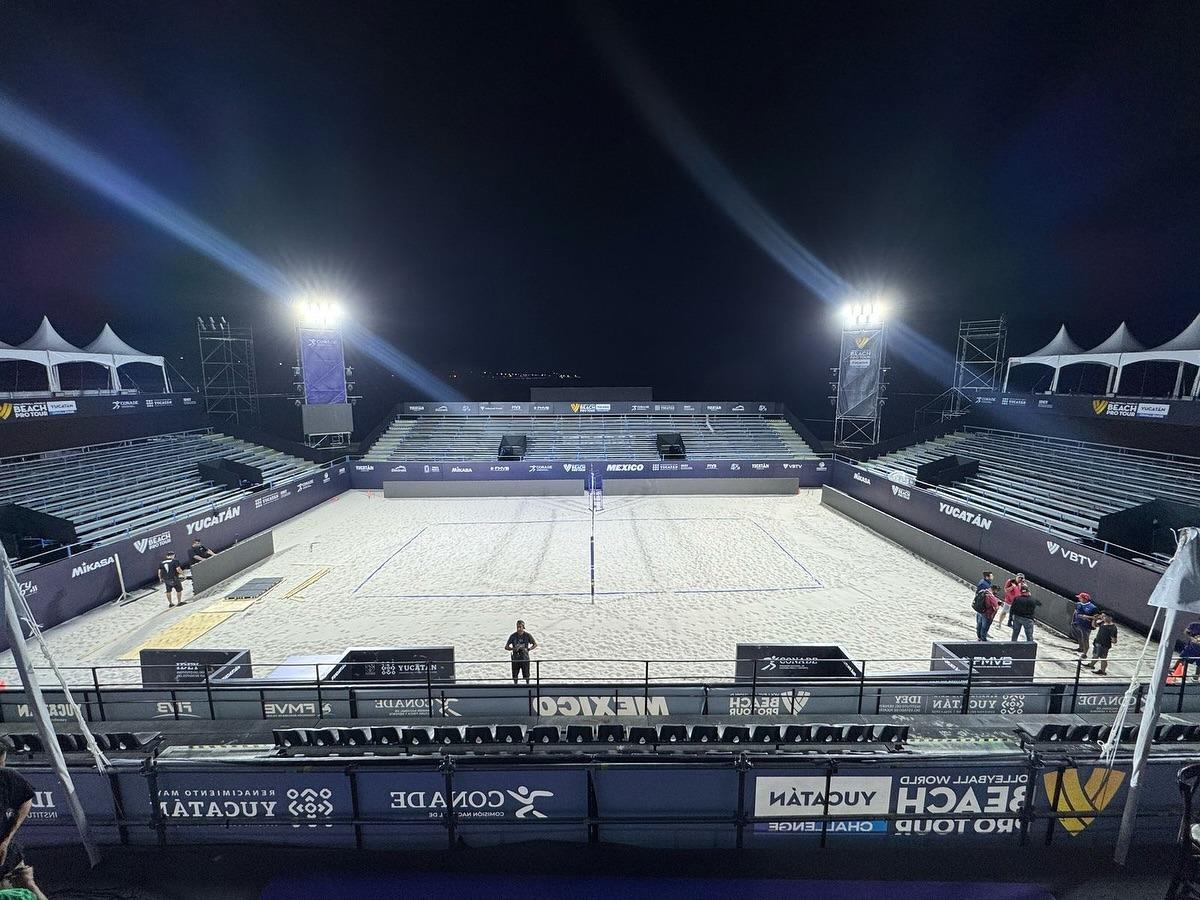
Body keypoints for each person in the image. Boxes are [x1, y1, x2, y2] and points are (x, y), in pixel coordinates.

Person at [0, 737, 48, 900]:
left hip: (7, 854)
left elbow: (25, 801)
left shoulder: (7, 777)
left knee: (27, 885)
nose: (2, 767)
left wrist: (7, 839)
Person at [505, 620, 537, 684]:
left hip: (525, 658)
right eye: (517, 627)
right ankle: (515, 686)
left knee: (526, 674)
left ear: (523, 627)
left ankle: (527, 685)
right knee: (515, 674)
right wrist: (513, 648)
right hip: (515, 658)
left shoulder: (527, 635)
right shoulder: (513, 636)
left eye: (520, 627)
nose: (519, 629)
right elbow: (506, 647)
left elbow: (535, 644)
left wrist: (528, 649)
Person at [1070, 592, 1099, 657]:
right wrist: (1073, 620)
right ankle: (1080, 648)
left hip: (1086, 626)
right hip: (1078, 623)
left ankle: (1085, 653)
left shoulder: (1093, 607)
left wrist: (1085, 617)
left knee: (1085, 639)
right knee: (1079, 637)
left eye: (1080, 598)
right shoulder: (1078, 604)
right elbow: (1075, 612)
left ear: (1085, 599)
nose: (1079, 599)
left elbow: (1096, 617)